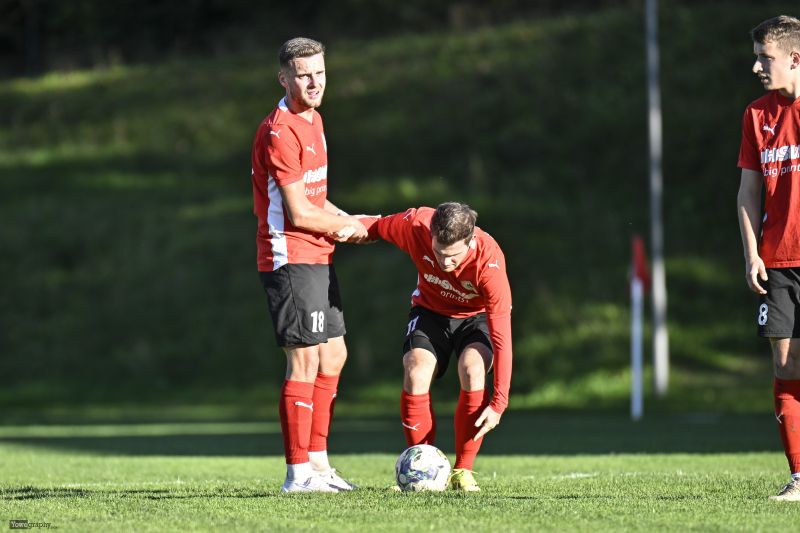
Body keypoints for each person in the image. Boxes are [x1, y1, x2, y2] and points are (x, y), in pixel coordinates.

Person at [251, 37, 370, 493]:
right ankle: (297, 474)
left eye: (320, 72)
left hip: (317, 254)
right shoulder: (279, 131)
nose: (315, 81)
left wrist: (350, 219)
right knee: (303, 359)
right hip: (290, 255)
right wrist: (349, 228)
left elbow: (315, 199)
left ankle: (319, 465)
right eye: (304, 74)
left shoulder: (315, 120)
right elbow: (298, 215)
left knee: (334, 355)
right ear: (284, 78)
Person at [353, 203, 513, 491]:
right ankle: (419, 469)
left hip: (475, 318)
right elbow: (375, 226)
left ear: (471, 240)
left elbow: (502, 338)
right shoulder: (416, 225)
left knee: (473, 369)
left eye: (452, 256)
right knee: (415, 371)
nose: (443, 262)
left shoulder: (490, 264)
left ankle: (463, 470)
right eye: (437, 251)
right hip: (430, 311)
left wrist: (499, 403)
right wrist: (333, 225)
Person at [737, 15, 800, 501]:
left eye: (766, 57)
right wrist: (752, 253)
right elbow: (749, 189)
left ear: (795, 58)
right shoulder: (757, 115)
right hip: (777, 258)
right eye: (757, 55)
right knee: (785, 363)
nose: (757, 65)